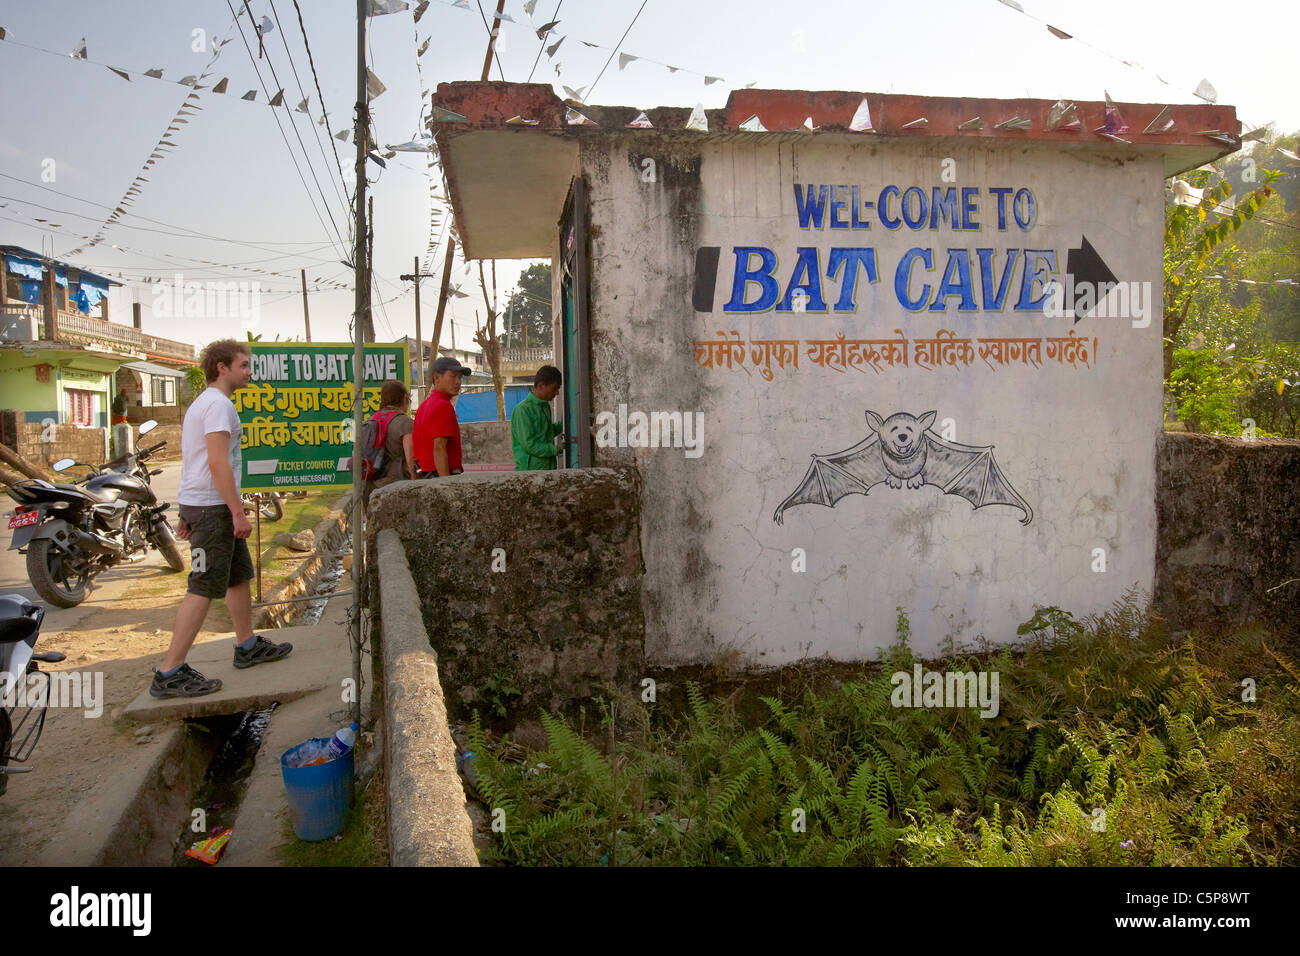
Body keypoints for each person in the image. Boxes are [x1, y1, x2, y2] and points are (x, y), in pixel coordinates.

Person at [150, 339, 292, 699]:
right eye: (243, 365)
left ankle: (246, 646)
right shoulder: (216, 405)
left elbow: (194, 460)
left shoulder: (210, 403)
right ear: (221, 368)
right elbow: (216, 462)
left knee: (237, 575)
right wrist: (236, 512)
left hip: (205, 506)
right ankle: (169, 671)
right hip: (214, 509)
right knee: (202, 586)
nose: (249, 371)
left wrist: (187, 511)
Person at [412, 356, 472, 477]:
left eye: (460, 377)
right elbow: (439, 446)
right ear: (437, 377)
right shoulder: (443, 406)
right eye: (453, 376)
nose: (458, 382)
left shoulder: (423, 406)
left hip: (424, 474)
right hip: (440, 474)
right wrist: (446, 485)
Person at [511, 365, 565, 470]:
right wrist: (556, 449)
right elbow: (530, 445)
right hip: (530, 472)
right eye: (554, 388)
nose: (557, 393)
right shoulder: (522, 410)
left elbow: (546, 432)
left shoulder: (545, 406)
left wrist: (565, 424)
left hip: (548, 468)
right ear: (541, 386)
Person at [369, 379, 416, 490]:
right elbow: (411, 458)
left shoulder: (372, 419)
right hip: (397, 486)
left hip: (371, 485)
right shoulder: (406, 422)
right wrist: (416, 482)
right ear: (405, 398)